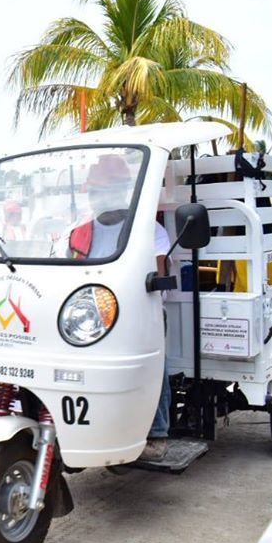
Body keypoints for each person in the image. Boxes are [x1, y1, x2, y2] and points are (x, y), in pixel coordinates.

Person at [68, 154, 170, 460]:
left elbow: (159, 279)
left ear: (125, 191)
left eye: (108, 190)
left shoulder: (149, 230)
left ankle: (157, 431)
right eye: (96, 191)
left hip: (140, 311)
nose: (101, 197)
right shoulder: (79, 232)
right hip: (90, 314)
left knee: (154, 360)